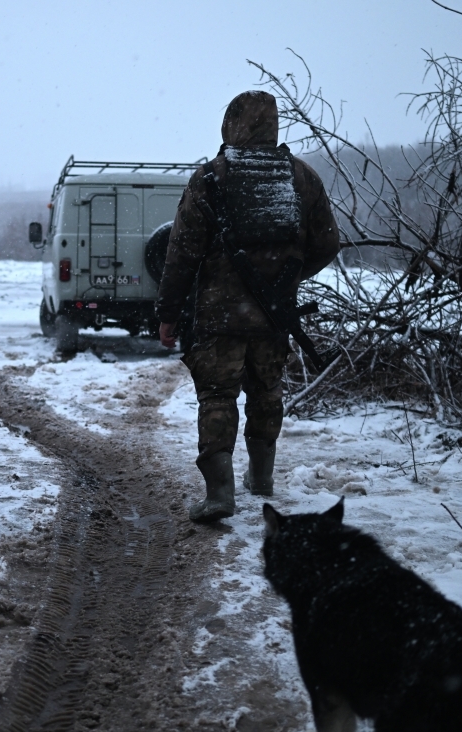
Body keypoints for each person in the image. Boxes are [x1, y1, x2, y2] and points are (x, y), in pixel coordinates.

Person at [156, 90, 340, 522]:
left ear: (231, 124)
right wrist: (288, 278)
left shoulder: (210, 177)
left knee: (217, 396)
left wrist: (168, 313)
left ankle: (220, 494)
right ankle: (261, 479)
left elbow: (181, 253)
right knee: (266, 393)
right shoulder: (302, 177)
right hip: (274, 317)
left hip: (219, 317)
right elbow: (328, 243)